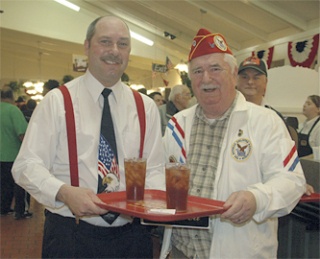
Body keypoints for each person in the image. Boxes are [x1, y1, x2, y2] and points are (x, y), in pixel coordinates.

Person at [12, 16, 164, 258]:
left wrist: (154, 204)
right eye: (105, 41)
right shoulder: (57, 101)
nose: (114, 51)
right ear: (87, 46)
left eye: (123, 44)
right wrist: (63, 191)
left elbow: (155, 168)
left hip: (133, 238)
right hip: (70, 235)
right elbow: (25, 166)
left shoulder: (145, 107)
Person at [162, 28, 306, 258]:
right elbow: (160, 178)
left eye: (215, 69)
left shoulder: (265, 122)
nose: (206, 78)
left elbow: (292, 181)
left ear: (233, 73)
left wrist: (256, 198)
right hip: (180, 251)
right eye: (198, 71)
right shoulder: (178, 124)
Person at [237, 55, 314, 195]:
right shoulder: (225, 115)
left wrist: (295, 183)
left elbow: (286, 162)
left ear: (266, 83)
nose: (250, 82)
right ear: (236, 81)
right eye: (244, 77)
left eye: (256, 77)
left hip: (265, 194)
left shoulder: (276, 119)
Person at [0, 87, 32, 220]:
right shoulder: (13, 110)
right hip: (14, 155)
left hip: (1, 156)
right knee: (20, 184)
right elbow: (22, 134)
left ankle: (4, 208)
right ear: (12, 96)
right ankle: (21, 211)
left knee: (3, 184)